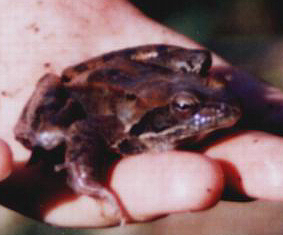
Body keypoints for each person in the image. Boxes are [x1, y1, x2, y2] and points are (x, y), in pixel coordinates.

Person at [1, 0, 283, 227]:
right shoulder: (121, 133)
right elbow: (83, 130)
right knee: (47, 137)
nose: (220, 106)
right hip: (86, 95)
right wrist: (84, 177)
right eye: (185, 109)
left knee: (197, 61)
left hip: (141, 79)